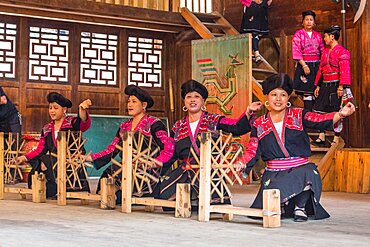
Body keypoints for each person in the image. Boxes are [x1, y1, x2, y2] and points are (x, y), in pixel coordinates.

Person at [238, 73, 355, 222]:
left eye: (283, 95)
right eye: (274, 95)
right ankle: (281, 205)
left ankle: (300, 207)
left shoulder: (299, 114)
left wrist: (340, 114)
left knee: (310, 172)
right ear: (267, 97)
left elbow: (318, 120)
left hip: (299, 168)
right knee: (274, 185)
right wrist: (242, 162)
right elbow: (252, 149)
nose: (278, 99)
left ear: (288, 98)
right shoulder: (259, 123)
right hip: (274, 173)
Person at [159, 80, 263, 206]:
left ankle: (198, 198)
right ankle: (192, 198)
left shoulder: (213, 120)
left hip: (209, 171)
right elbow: (171, 153)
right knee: (164, 197)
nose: (192, 100)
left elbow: (236, 127)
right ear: (184, 102)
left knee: (205, 195)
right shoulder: (178, 126)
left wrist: (248, 111)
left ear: (203, 101)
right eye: (189, 97)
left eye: (196, 97)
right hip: (185, 170)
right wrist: (157, 164)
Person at [84, 85, 175, 204]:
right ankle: (113, 196)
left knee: (122, 194)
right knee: (109, 175)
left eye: (134, 101)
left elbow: (168, 147)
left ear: (144, 105)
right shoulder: (124, 127)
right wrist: (89, 158)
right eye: (128, 101)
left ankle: (121, 195)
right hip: (125, 167)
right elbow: (112, 150)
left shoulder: (154, 124)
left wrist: (154, 163)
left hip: (145, 171)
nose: (130, 105)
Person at [15, 92, 92, 198]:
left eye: (55, 108)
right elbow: (40, 149)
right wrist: (23, 157)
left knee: (46, 159)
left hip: (71, 161)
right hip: (54, 162)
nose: (52, 111)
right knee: (41, 159)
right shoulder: (47, 128)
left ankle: (64, 188)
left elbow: (83, 123)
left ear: (64, 109)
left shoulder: (72, 122)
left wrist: (82, 110)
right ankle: (47, 187)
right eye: (50, 108)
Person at [312, 25, 351, 146]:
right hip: (324, 85)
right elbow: (320, 70)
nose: (324, 39)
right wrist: (317, 85)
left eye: (326, 36)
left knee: (337, 111)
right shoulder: (324, 52)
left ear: (332, 37)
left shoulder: (342, 52)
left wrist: (341, 87)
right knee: (320, 110)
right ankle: (321, 137)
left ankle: (336, 138)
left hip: (336, 86)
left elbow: (345, 70)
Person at [292, 10, 324, 111]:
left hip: (317, 65)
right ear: (303, 22)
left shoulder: (318, 35)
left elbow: (322, 50)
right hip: (304, 64)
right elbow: (296, 50)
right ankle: (307, 114)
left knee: (316, 90)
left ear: (314, 22)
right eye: (306, 20)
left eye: (311, 20)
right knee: (307, 91)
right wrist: (304, 65)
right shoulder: (298, 34)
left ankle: (315, 114)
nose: (309, 22)